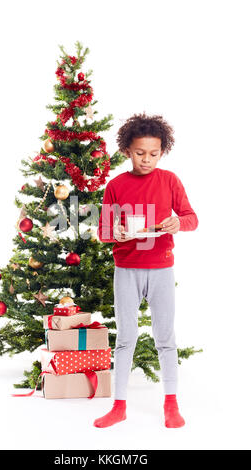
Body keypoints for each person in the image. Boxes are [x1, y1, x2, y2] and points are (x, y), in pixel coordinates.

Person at [94, 113, 199, 428]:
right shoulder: (116, 185)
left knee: (165, 338)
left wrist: (177, 222)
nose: (147, 159)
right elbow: (103, 230)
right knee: (126, 339)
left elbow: (191, 217)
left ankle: (171, 403)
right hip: (127, 269)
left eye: (154, 153)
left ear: (162, 151)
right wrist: (117, 233)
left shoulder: (169, 181)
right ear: (127, 150)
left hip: (161, 269)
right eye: (140, 153)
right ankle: (119, 405)